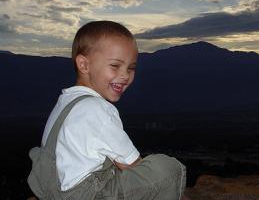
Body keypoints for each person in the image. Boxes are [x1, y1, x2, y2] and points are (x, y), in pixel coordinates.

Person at [29, 20, 187, 199]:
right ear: (84, 65)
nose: (125, 75)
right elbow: (133, 165)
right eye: (115, 66)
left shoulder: (66, 101)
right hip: (85, 195)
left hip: (53, 191)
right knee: (165, 168)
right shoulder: (97, 109)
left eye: (131, 68)